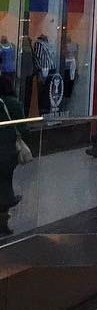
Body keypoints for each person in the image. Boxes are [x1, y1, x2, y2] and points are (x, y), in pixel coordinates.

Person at [0, 75, 26, 236]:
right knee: (5, 183)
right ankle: (3, 221)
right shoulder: (14, 104)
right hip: (8, 152)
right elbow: (23, 127)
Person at [31, 33, 56, 112]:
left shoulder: (48, 44)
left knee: (47, 91)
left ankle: (46, 108)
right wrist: (39, 69)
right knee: (42, 90)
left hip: (50, 69)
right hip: (44, 69)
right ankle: (42, 109)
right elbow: (37, 57)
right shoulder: (38, 43)